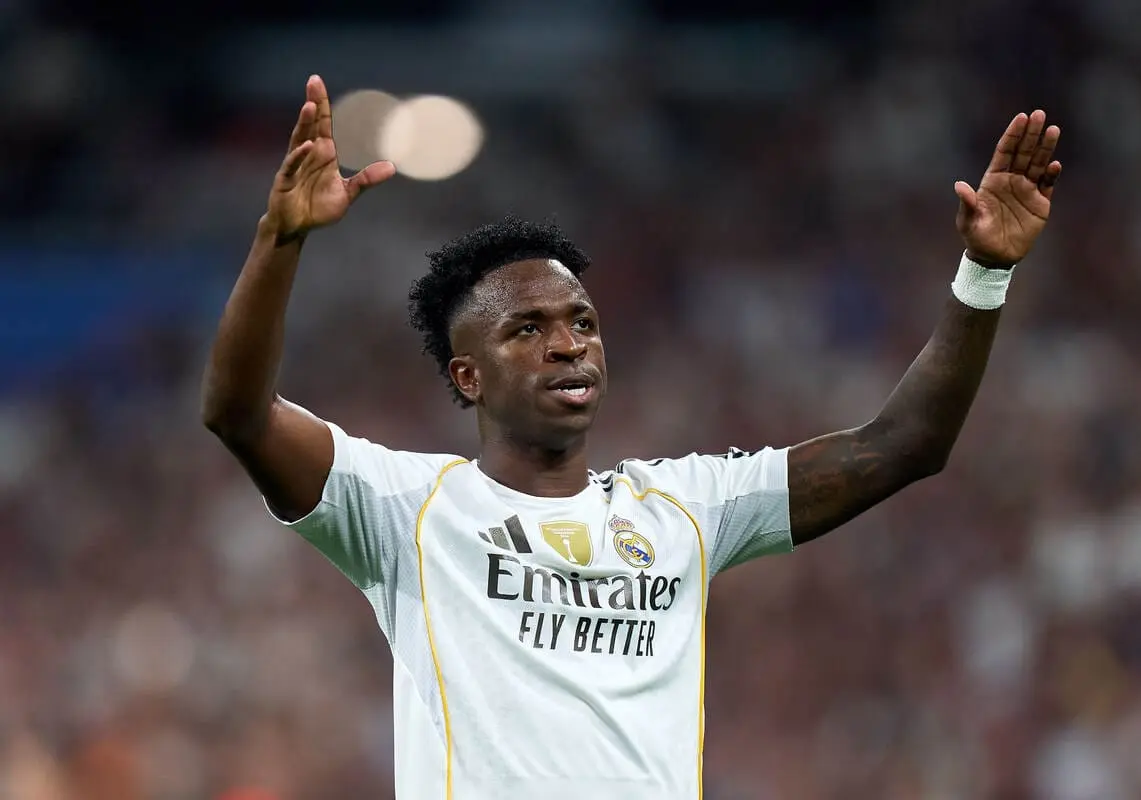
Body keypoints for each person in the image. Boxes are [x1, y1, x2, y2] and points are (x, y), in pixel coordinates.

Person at [200, 74, 1062, 800]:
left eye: (582, 321)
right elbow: (239, 414)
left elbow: (905, 442)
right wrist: (281, 237)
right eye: (526, 329)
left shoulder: (684, 510)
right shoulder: (406, 510)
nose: (568, 342)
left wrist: (984, 274)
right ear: (468, 377)